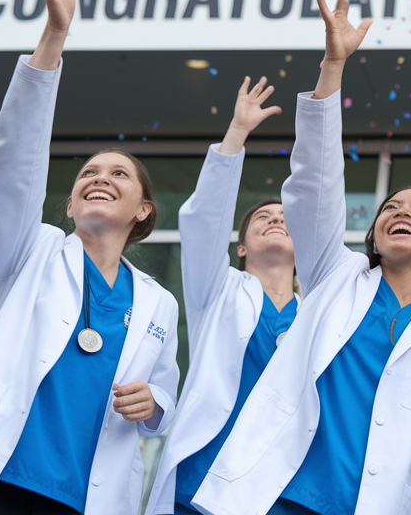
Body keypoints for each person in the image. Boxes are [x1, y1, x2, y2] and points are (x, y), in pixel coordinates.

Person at [191, 0, 411, 515]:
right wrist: (333, 66)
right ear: (372, 235)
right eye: (391, 208)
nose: (401, 212)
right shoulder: (335, 276)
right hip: (277, 497)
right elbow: (314, 183)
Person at [0, 0, 179, 515]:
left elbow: (167, 405)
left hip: (89, 496)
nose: (100, 179)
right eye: (88, 174)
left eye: (119, 174)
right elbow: (8, 169)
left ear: (143, 212)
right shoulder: (29, 254)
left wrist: (153, 404)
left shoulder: (157, 303)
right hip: (1, 481)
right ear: (71, 202)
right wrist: (54, 37)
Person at [148, 76, 298, 515]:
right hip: (204, 481)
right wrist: (237, 133)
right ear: (242, 248)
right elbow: (204, 219)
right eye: (263, 218)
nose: (276, 219)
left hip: (280, 486)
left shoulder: (318, 312)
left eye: (286, 217)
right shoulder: (217, 292)